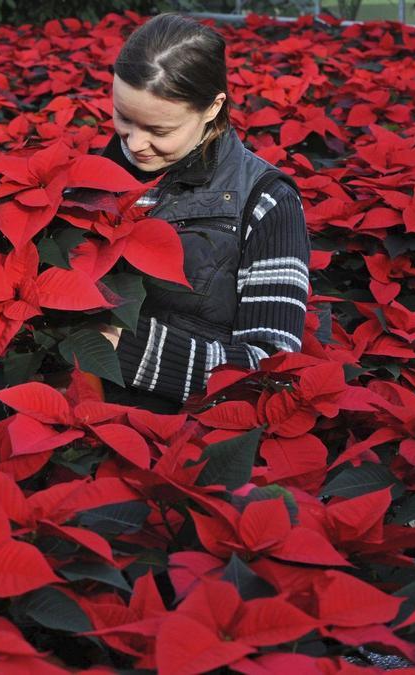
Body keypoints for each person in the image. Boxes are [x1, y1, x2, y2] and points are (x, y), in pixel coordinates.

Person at [95, 12, 311, 413]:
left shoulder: (267, 201)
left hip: (182, 436)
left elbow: (269, 371)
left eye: (159, 131)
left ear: (212, 108)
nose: (136, 143)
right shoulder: (88, 182)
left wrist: (124, 349)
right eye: (124, 118)